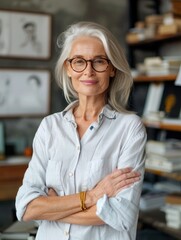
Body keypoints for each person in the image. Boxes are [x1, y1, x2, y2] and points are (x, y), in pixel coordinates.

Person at [16, 21, 147, 240]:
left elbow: (122, 215)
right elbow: (27, 208)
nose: (88, 71)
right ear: (68, 68)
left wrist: (53, 207)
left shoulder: (129, 128)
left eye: (99, 61)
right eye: (78, 61)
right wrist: (94, 196)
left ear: (112, 68)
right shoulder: (50, 127)